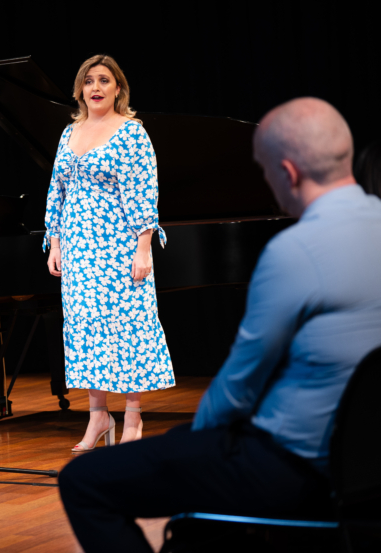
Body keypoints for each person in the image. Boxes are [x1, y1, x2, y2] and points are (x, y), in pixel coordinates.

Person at [58, 98, 381, 552]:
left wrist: (195, 440)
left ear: (287, 173)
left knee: (84, 482)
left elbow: (238, 389)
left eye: (266, 173)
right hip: (369, 466)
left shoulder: (297, 251)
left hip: (301, 466)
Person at [43, 54, 175, 452]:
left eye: (104, 80)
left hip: (118, 245)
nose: (95, 87)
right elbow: (58, 190)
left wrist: (143, 247)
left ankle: (132, 417)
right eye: (88, 81)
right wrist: (55, 241)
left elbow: (143, 191)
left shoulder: (132, 132)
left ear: (118, 88)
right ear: (80, 90)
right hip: (79, 249)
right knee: (86, 330)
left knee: (128, 327)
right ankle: (98, 416)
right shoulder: (71, 133)